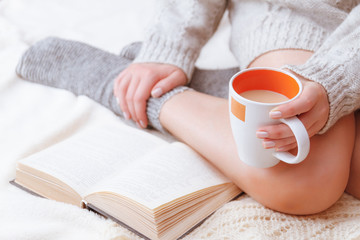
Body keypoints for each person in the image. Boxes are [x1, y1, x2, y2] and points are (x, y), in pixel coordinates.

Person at [16, 0, 360, 215]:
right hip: (302, 20)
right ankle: (143, 92)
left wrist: (340, 80)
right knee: (303, 181)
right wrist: (169, 47)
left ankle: (227, 93)